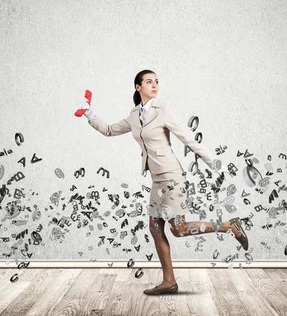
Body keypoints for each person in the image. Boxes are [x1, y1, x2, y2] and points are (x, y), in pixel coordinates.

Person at [76, 69, 249, 295]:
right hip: (157, 179)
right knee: (155, 228)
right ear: (138, 87)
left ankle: (229, 225)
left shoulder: (163, 110)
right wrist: (89, 113)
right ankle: (169, 281)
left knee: (178, 228)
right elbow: (109, 130)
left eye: (156, 81)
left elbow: (186, 137)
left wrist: (214, 163)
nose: (154, 85)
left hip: (172, 176)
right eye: (149, 82)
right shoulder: (134, 114)